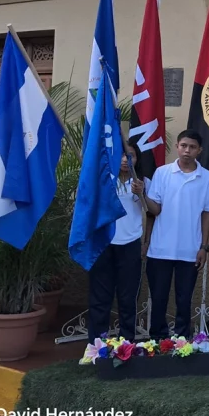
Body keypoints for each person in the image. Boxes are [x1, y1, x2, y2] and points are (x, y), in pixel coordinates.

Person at [142, 130, 209, 339]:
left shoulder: (207, 178)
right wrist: (146, 241)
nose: (187, 150)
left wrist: (203, 246)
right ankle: (157, 338)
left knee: (184, 299)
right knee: (158, 297)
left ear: (199, 150)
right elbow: (153, 210)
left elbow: (207, 214)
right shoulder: (162, 173)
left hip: (190, 250)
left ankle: (183, 339)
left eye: (192, 147)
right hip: (160, 249)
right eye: (183, 145)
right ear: (177, 146)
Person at [87, 143, 151, 343]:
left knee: (127, 297)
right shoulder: (104, 180)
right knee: (100, 297)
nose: (125, 160)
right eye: (122, 156)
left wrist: (142, 192)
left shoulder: (143, 183)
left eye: (130, 156)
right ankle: (97, 344)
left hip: (130, 244)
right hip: (103, 243)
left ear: (137, 159)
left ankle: (126, 343)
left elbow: (151, 212)